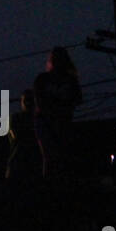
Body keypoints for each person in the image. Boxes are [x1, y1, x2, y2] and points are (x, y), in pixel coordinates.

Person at [33, 47, 82, 179]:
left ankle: (56, 184)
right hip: (46, 122)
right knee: (50, 155)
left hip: (60, 122)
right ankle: (50, 185)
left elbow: (78, 99)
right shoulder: (43, 79)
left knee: (58, 155)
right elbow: (39, 102)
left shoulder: (69, 80)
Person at [5, 89, 41, 183]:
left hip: (31, 166)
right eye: (26, 100)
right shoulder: (16, 118)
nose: (28, 103)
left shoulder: (40, 119)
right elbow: (18, 136)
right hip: (19, 166)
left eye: (30, 100)